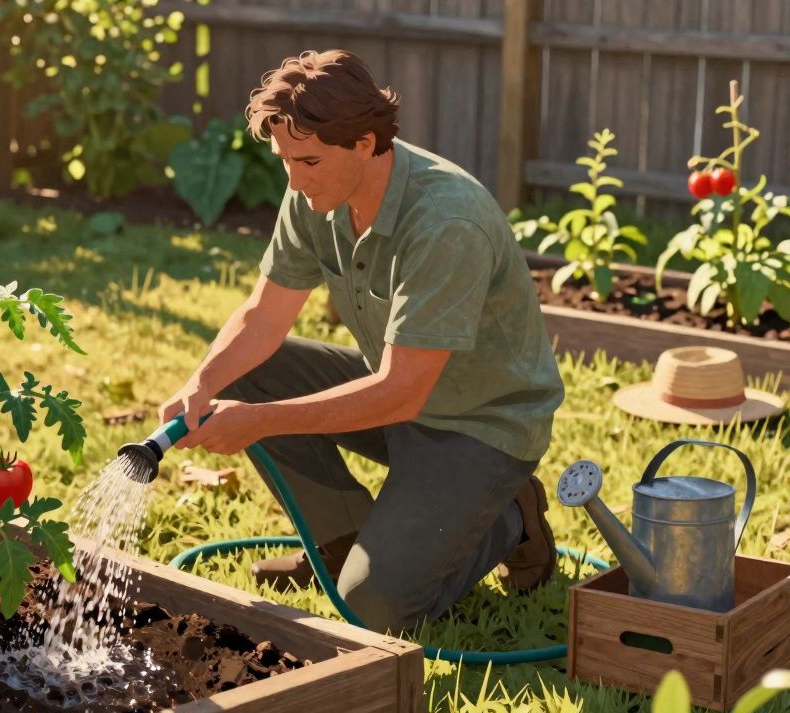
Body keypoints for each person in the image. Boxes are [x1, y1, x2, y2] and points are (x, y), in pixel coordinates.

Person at [158, 49, 564, 634]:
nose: (294, 180)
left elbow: (401, 392)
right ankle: (341, 543)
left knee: (376, 607)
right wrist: (201, 384)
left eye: (309, 161)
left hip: (479, 426)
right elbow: (264, 317)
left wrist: (258, 421)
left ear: (367, 142)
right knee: (245, 371)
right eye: (284, 160)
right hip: (398, 394)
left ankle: (511, 517)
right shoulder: (315, 192)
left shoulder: (446, 221)